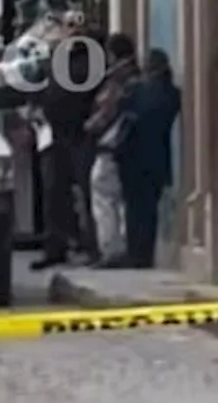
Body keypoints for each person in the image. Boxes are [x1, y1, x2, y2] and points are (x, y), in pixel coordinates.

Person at [28, 26, 102, 270]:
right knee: (54, 194)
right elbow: (43, 91)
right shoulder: (59, 64)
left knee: (85, 192)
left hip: (79, 135)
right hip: (55, 134)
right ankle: (56, 246)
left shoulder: (88, 64)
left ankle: (91, 246)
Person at [115, 49, 181, 268]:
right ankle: (144, 253)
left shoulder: (137, 90)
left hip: (134, 157)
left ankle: (135, 253)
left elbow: (122, 109)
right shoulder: (172, 93)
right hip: (157, 158)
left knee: (134, 209)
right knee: (149, 209)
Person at [83, 33, 141, 268]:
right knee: (121, 199)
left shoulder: (118, 79)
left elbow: (108, 110)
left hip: (111, 146)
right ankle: (122, 247)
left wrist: (90, 126)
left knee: (103, 196)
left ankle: (111, 250)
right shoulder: (135, 75)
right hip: (128, 147)